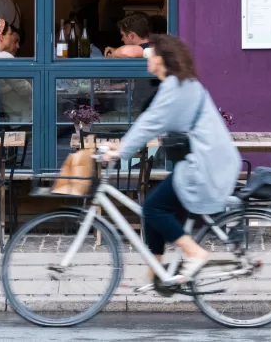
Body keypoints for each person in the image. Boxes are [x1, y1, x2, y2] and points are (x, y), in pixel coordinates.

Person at [103, 34, 241, 284]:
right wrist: (123, 145)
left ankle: (194, 253)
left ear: (161, 58)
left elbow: (150, 123)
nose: (147, 56)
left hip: (205, 162)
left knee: (152, 207)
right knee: (154, 207)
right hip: (204, 158)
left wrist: (120, 151)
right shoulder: (181, 83)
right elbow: (150, 121)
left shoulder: (176, 87)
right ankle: (157, 272)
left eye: (150, 52)